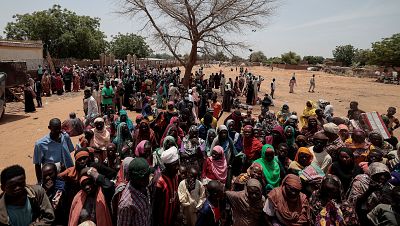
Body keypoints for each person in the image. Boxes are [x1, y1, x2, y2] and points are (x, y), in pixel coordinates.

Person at [34, 118, 74, 183]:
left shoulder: (65, 137)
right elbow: (37, 164)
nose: (58, 131)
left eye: (59, 128)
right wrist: (40, 182)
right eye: (55, 129)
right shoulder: (40, 144)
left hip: (69, 172)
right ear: (49, 128)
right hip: (53, 176)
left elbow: (69, 151)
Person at [117, 158, 152, 226]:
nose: (148, 179)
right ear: (134, 178)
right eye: (144, 177)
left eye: (148, 175)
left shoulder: (144, 187)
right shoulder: (126, 204)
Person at [152, 146, 180, 226]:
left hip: (172, 219)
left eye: (178, 164)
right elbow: (155, 207)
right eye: (174, 165)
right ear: (167, 166)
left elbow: (175, 195)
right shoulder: (160, 182)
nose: (178, 168)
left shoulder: (175, 176)